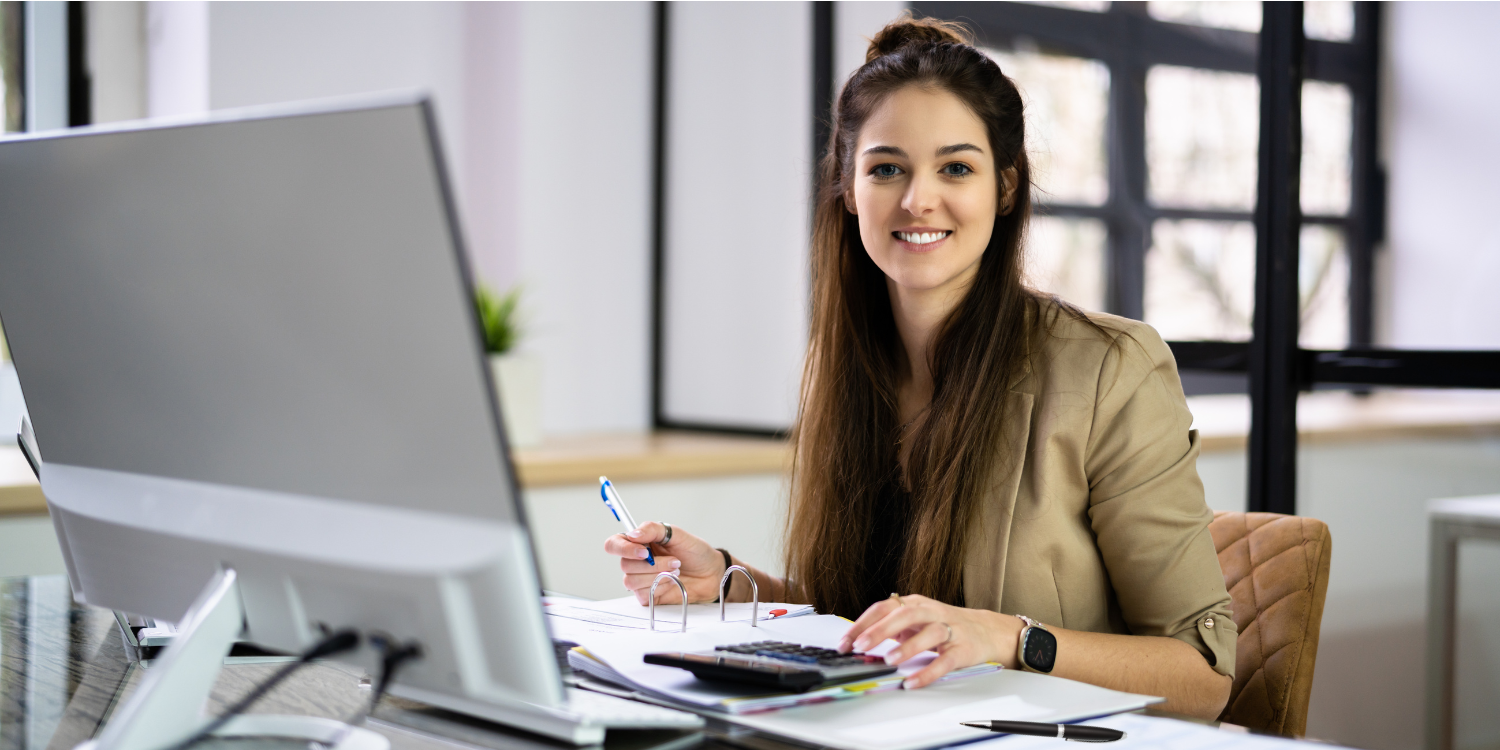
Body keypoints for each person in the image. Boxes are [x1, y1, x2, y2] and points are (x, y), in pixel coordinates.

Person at [603, 15, 1235, 719]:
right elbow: (857, 621)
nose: (916, 199)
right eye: (886, 168)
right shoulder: (843, 366)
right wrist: (728, 580)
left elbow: (1203, 678)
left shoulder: (1109, 369)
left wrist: (1008, 637)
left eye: (955, 168)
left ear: (1004, 187)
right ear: (847, 187)